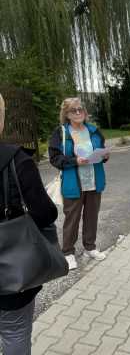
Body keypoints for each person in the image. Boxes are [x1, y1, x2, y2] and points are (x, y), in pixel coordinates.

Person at [0, 93, 58, 354]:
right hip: (14, 276)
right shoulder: (17, 161)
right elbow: (45, 213)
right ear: (2, 119)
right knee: (14, 333)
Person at [48, 97, 109, 270]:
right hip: (73, 183)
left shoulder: (93, 130)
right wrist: (75, 161)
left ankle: (90, 247)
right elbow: (55, 158)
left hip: (94, 180)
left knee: (92, 216)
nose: (78, 112)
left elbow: (102, 148)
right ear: (66, 114)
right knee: (72, 219)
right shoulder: (61, 132)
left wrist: (104, 156)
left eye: (80, 109)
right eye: (73, 110)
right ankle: (67, 252)